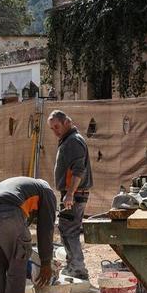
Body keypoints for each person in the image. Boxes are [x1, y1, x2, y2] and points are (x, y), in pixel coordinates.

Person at [48, 110, 93, 280]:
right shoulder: (69, 140)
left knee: (69, 229)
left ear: (67, 122)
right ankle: (74, 265)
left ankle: (77, 268)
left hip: (74, 194)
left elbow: (78, 170)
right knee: (67, 228)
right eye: (52, 128)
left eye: (57, 126)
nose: (55, 131)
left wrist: (70, 194)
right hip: (73, 193)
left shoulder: (73, 141)